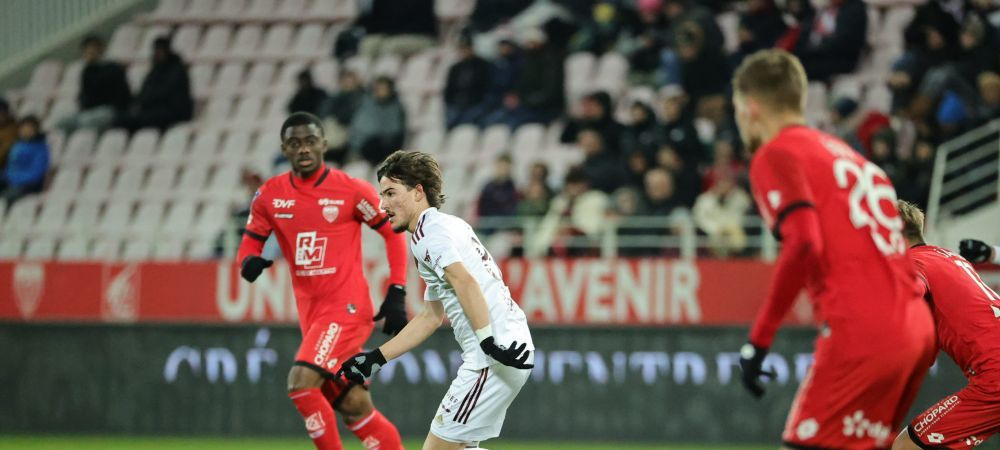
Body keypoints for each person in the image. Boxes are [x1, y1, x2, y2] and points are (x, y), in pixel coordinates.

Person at [732, 50, 935, 449]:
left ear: (751, 107)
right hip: (915, 329)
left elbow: (804, 242)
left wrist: (758, 341)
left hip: (862, 331)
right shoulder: (858, 161)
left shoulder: (776, 154)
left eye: (738, 109)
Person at [339, 150, 534, 450]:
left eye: (391, 193)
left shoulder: (430, 234)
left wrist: (488, 343)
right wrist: (376, 358)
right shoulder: (444, 227)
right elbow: (431, 315)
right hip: (503, 347)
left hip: (493, 355)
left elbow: (464, 281)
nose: (383, 204)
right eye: (382, 195)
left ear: (418, 192)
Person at [236, 112, 408, 450]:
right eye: (295, 143)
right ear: (284, 148)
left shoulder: (350, 190)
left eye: (311, 141)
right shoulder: (270, 195)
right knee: (354, 407)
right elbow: (251, 238)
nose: (304, 148)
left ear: (324, 145)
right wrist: (248, 260)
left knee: (300, 383)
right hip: (312, 316)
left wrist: (397, 289)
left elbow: (393, 234)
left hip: (346, 309)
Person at [892, 201, 1000, 450]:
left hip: (994, 378)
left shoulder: (912, 264)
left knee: (906, 445)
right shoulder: (947, 257)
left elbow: (914, 290)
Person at [56, 34, 131, 134]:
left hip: (111, 110)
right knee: (62, 123)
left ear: (101, 50)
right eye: (87, 50)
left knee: (86, 122)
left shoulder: (113, 68)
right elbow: (85, 96)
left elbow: (121, 96)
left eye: (93, 49)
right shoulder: (86, 71)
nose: (90, 52)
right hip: (90, 111)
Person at [117, 36, 193, 132]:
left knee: (139, 120)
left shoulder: (177, 70)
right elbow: (145, 90)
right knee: (123, 119)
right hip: (154, 109)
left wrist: (146, 101)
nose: (158, 54)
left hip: (173, 111)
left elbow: (166, 93)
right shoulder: (155, 70)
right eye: (157, 50)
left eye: (161, 50)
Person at [349, 76, 406, 166]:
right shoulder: (365, 105)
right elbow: (357, 128)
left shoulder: (396, 109)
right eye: (378, 88)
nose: (381, 91)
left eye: (384, 88)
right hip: (363, 147)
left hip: (385, 149)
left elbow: (395, 133)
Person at [1, 116, 49, 205]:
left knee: (9, 196)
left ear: (36, 130)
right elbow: (10, 167)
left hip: (30, 185)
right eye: (23, 128)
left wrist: (14, 179)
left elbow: (36, 174)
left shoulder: (41, 149)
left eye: (29, 128)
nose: (26, 131)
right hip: (11, 180)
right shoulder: (16, 145)